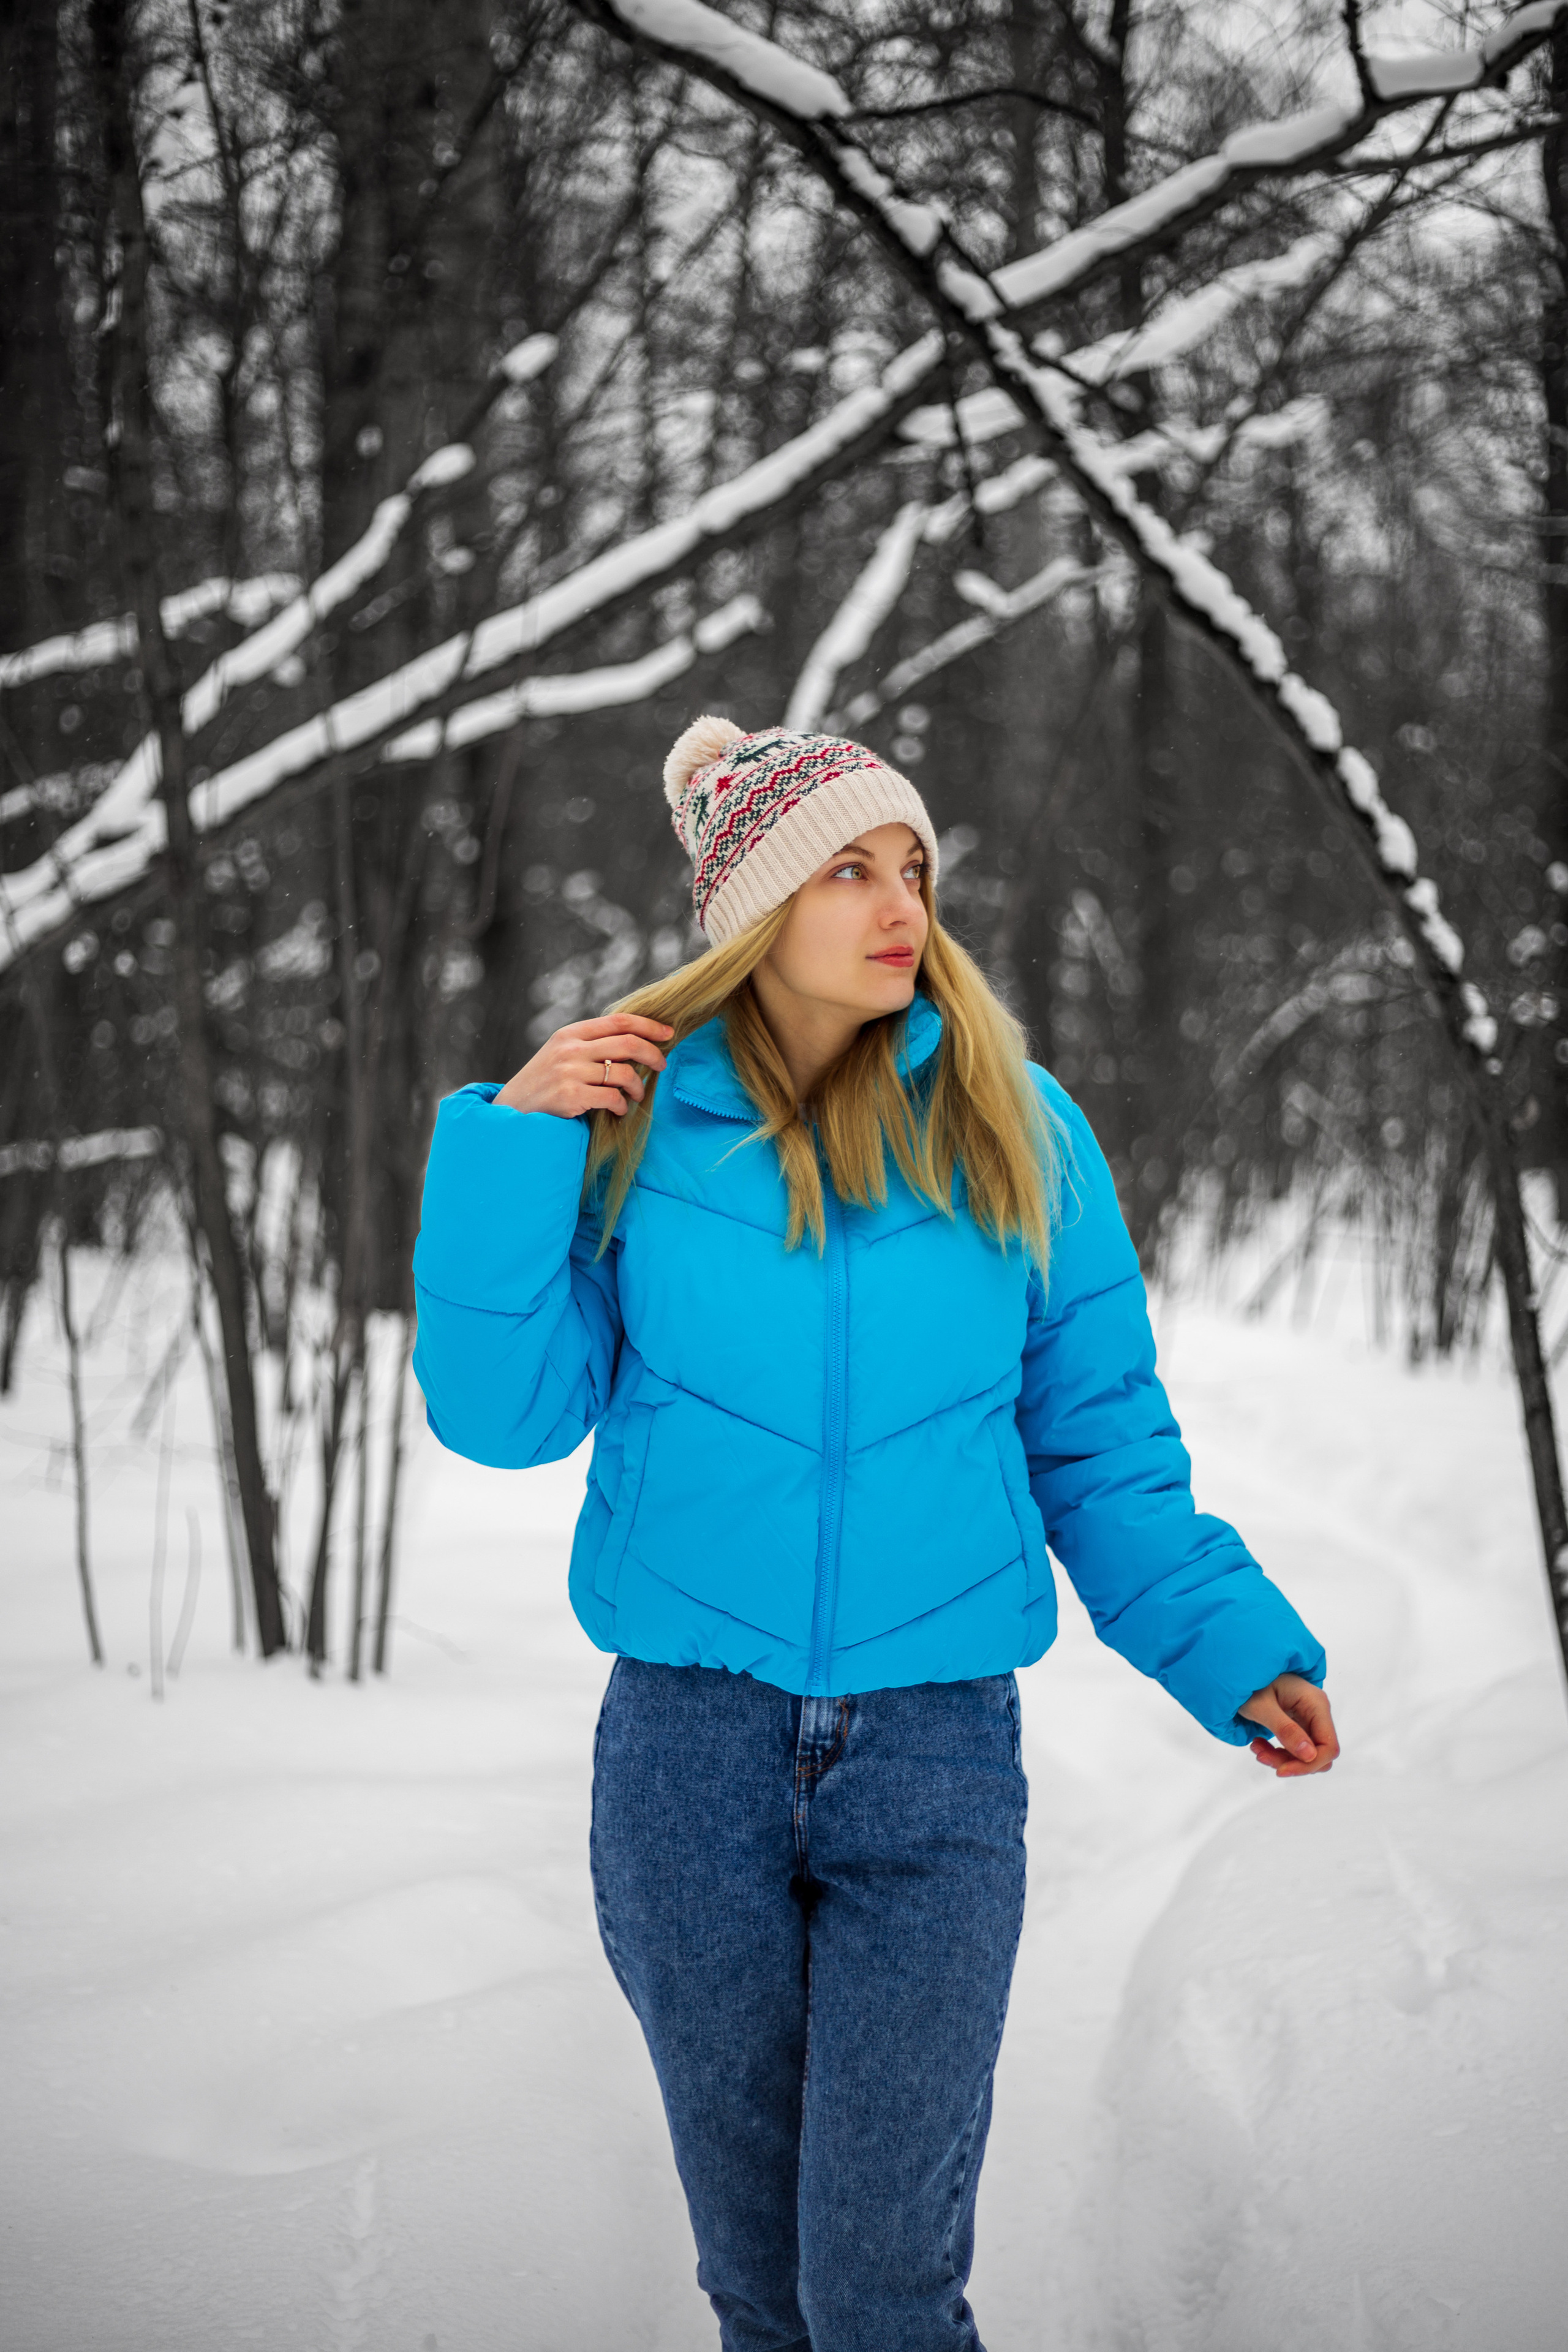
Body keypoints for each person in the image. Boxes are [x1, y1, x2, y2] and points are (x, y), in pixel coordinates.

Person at [410, 715, 1339, 2352]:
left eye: (910, 865)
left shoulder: (1019, 1122)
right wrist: (513, 1145)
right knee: (762, 2291)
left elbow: (1100, 1443)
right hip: (685, 1761)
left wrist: (1230, 1644)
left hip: (936, 1758)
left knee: (881, 2288)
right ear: (758, 910)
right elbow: (505, 1418)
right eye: (847, 869)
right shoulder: (630, 1129)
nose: (900, 901)